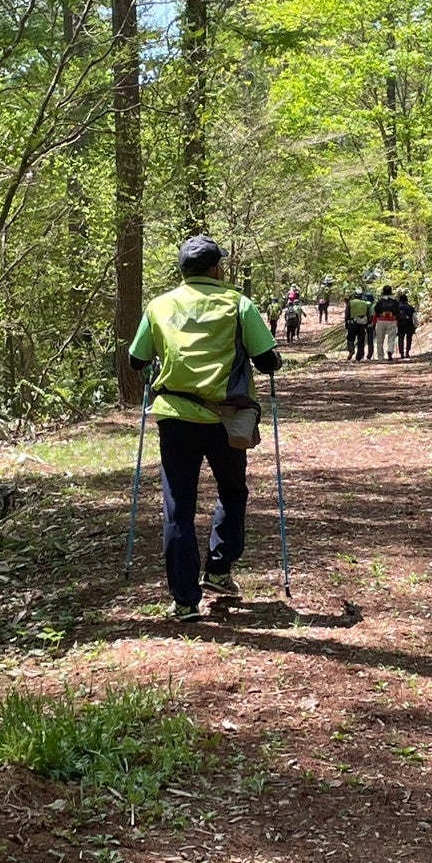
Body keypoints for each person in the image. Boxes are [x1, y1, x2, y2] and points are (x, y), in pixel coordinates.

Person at [128, 235, 282, 621]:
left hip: (174, 418)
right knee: (232, 491)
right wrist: (270, 360)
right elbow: (267, 360)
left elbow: (135, 359)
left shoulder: (159, 305)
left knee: (178, 506)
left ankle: (184, 601)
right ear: (217, 268)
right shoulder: (238, 303)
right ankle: (218, 568)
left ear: (183, 270)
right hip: (225, 418)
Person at [372, 285, 400, 361]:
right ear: (391, 292)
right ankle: (390, 350)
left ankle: (380, 357)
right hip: (391, 321)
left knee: (380, 340)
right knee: (391, 338)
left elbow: (376, 309)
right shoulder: (394, 301)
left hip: (381, 321)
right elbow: (398, 311)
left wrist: (380, 315)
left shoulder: (380, 302)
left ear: (383, 292)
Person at [345, 288, 372, 361]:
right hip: (361, 325)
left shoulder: (350, 303)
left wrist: (346, 323)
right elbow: (368, 315)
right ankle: (359, 356)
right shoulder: (365, 303)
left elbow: (347, 313)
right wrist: (366, 324)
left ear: (355, 295)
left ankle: (351, 350)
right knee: (361, 340)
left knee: (350, 338)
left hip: (352, 324)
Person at [396, 292, 418, 358]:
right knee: (409, 339)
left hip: (400, 324)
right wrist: (415, 325)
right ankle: (407, 352)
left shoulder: (398, 308)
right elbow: (414, 317)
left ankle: (401, 353)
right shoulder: (411, 307)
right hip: (409, 324)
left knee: (400, 338)